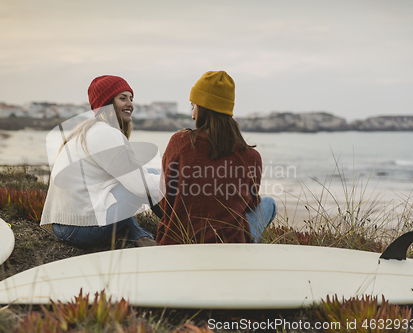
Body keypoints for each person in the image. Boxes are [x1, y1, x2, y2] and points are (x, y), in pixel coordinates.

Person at [156, 71, 276, 245]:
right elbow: (250, 203)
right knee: (269, 203)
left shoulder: (180, 142)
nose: (192, 115)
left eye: (193, 106)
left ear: (203, 108)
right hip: (228, 246)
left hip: (178, 242)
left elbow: (164, 200)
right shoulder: (252, 156)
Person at [40, 75, 159, 248]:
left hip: (62, 227)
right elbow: (141, 187)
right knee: (152, 178)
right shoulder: (106, 133)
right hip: (82, 229)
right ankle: (182, 232)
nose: (130, 104)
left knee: (137, 181)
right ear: (108, 104)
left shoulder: (85, 131)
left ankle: (141, 238)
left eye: (131, 99)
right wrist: (178, 181)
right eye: (123, 98)